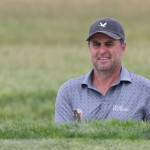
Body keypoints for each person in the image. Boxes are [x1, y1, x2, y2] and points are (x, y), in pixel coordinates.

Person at [55, 17, 150, 123]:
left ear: (122, 48)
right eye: (96, 44)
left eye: (109, 44)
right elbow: (62, 138)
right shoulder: (69, 91)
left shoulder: (145, 90)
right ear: (89, 49)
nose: (102, 51)